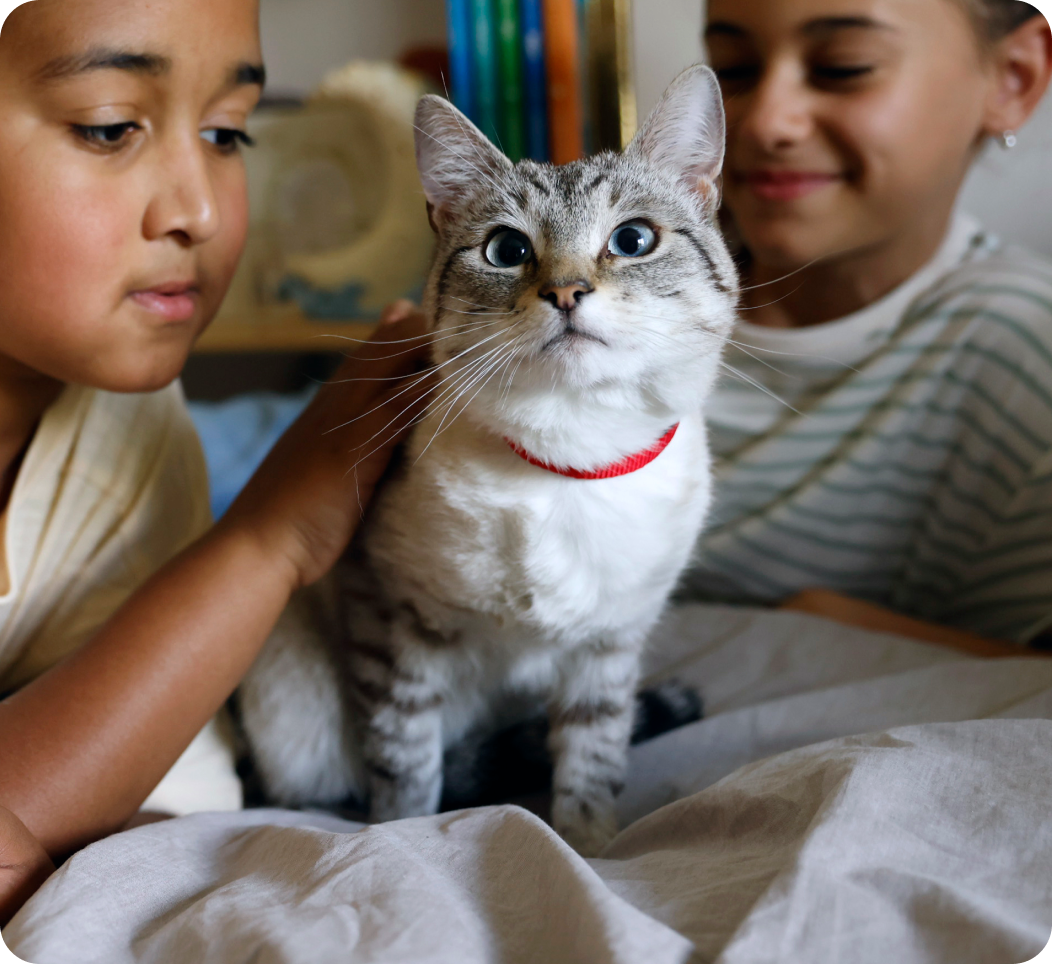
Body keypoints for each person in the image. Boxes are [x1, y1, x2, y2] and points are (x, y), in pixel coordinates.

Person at [0, 0, 429, 926]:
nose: (196, 208)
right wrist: (272, 536)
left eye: (227, 133)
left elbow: (156, 803)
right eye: (109, 127)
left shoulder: (132, 426)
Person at [684, 0, 1052, 646]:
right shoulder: (557, 308)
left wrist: (827, 635)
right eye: (734, 68)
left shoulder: (1020, 350)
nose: (768, 121)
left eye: (842, 68)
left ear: (1013, 78)